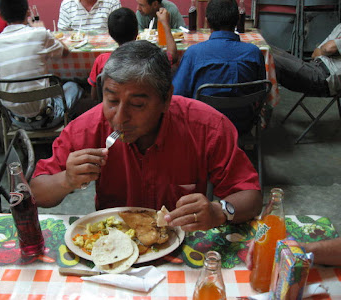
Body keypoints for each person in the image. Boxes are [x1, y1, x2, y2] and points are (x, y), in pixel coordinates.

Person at [30, 40, 262, 232]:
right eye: (111, 101)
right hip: (114, 243)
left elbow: (251, 197)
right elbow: (36, 192)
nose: (119, 118)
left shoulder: (206, 126)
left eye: (137, 104)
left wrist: (219, 211)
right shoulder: (87, 128)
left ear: (166, 99)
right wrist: (66, 180)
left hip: (180, 241)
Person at [0, 0, 84, 131]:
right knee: (73, 85)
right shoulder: (40, 34)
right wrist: (42, 30)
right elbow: (65, 52)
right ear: (27, 12)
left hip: (15, 120)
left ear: (1, 16)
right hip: (49, 117)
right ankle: (71, 130)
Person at [172, 0, 266, 134]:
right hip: (243, 123)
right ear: (238, 20)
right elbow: (260, 91)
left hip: (203, 124)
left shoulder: (194, 53)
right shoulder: (254, 52)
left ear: (207, 22)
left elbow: (177, 94)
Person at [87, 7, 178, 102]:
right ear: (137, 31)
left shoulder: (101, 60)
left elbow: (95, 96)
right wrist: (166, 24)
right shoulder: (150, 58)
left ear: (110, 34)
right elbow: (173, 55)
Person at [272, 23, 341, 97]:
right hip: (315, 66)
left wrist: (327, 51)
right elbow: (315, 54)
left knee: (269, 59)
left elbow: (327, 49)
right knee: (268, 49)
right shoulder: (339, 27)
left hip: (324, 78)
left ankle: (260, 104)